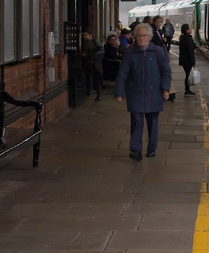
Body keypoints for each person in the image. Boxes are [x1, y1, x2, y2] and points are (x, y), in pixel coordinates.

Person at [115, 23, 171, 160]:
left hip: (154, 93)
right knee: (136, 122)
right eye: (139, 36)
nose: (141, 38)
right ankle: (135, 150)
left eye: (144, 36)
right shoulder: (130, 52)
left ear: (150, 37)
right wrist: (119, 92)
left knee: (152, 123)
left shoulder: (157, 51)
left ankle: (151, 148)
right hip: (135, 93)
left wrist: (165, 88)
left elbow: (166, 71)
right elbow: (123, 73)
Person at [80, 28, 104, 101]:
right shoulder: (84, 42)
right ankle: (85, 91)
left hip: (94, 63)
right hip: (87, 63)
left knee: (96, 79)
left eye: (85, 35)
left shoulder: (95, 42)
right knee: (85, 78)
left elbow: (101, 51)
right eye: (83, 35)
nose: (84, 36)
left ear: (90, 34)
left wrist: (89, 55)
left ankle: (99, 94)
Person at [178, 23, 197, 96]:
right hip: (187, 60)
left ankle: (187, 89)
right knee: (188, 75)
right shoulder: (188, 38)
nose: (191, 29)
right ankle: (187, 90)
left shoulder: (183, 38)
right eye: (189, 28)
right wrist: (193, 62)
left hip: (184, 60)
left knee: (187, 75)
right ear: (186, 30)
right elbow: (190, 51)